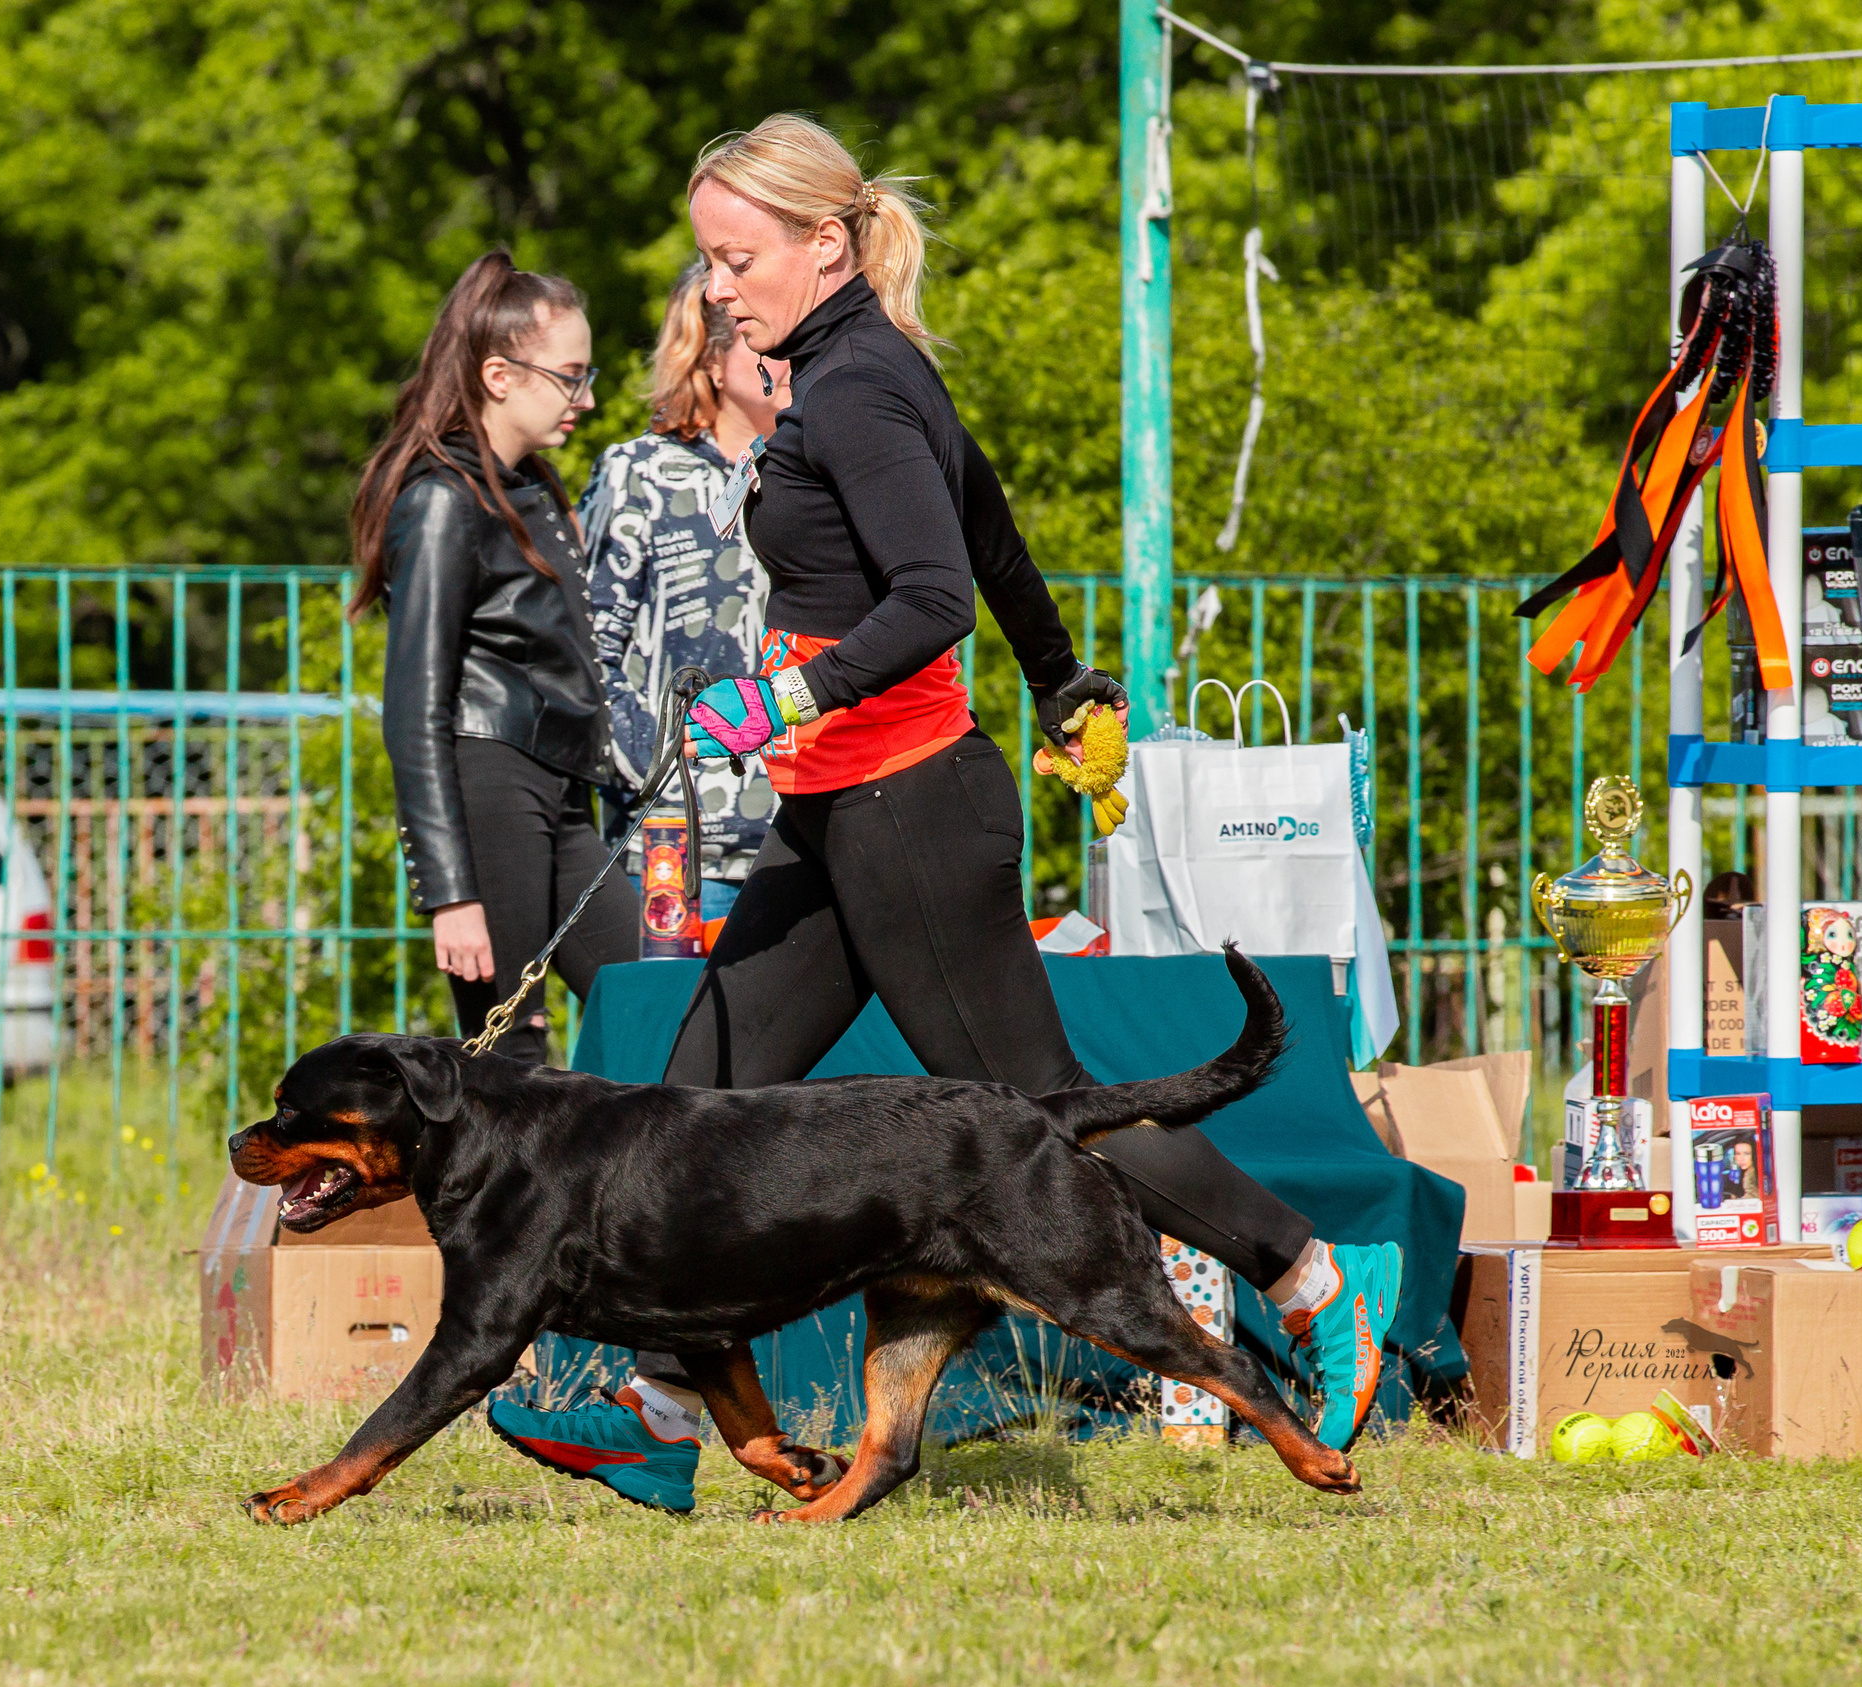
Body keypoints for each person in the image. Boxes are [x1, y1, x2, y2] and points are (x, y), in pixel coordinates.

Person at [490, 116, 1405, 1511]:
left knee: (1048, 1112)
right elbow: (990, 531)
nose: (719, 288)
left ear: (824, 243)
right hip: (833, 806)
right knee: (701, 1096)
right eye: (710, 261)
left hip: (908, 808)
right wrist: (1058, 681)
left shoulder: (856, 388)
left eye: (739, 259)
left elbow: (933, 594)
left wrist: (795, 698)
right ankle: (673, 1404)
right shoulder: (857, 371)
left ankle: (1314, 1273)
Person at [351, 251, 634, 1064]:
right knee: (512, 1056)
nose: (587, 398)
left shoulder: (528, 489)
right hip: (489, 790)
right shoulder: (441, 500)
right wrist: (451, 894)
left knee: (659, 1001)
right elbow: (413, 713)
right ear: (501, 374)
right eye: (571, 376)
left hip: (556, 796)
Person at [580, 264, 790, 922]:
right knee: (670, 1027)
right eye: (772, 344)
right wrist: (659, 777)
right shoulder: (639, 474)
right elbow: (590, 656)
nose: (794, 361)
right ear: (713, 353)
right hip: (676, 860)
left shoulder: (816, 476)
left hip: (806, 852)